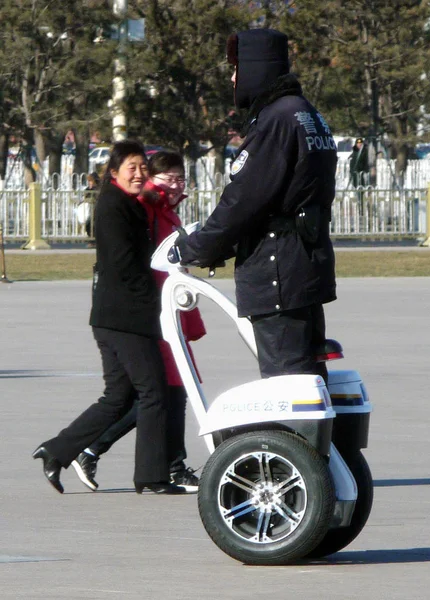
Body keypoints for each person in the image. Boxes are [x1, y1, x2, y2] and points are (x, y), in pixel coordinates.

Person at [177, 28, 337, 385]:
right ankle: (323, 443)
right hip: (305, 264)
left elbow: (244, 200)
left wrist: (195, 247)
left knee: (288, 383)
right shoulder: (305, 113)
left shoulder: (275, 121)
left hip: (277, 270)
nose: (233, 78)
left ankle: (294, 442)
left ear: (256, 68)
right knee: (310, 376)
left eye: (236, 68)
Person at [33, 140, 185, 495]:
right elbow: (125, 266)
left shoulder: (131, 203)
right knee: (154, 393)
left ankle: (56, 451)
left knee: (118, 396)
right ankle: (152, 475)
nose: (139, 174)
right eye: (130, 168)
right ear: (113, 173)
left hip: (112, 315)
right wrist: (157, 301)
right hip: (126, 317)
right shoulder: (113, 207)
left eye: (142, 167)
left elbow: (153, 208)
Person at [71, 151, 205, 493]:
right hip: (153, 313)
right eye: (167, 178)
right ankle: (99, 449)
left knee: (167, 392)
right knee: (161, 393)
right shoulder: (144, 209)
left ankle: (100, 450)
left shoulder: (166, 210)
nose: (174, 184)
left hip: (170, 310)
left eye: (180, 178)